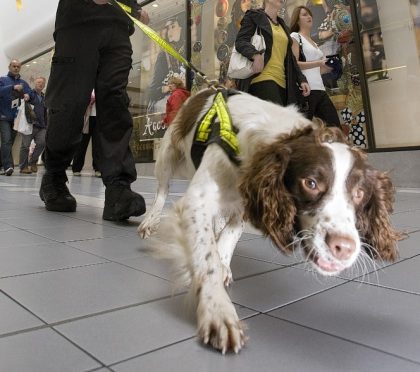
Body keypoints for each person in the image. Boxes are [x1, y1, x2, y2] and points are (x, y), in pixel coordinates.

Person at [39, 0, 150, 221]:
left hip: (118, 27)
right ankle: (54, 176)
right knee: (69, 103)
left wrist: (134, 8)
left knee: (115, 103)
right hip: (77, 22)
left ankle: (118, 188)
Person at [234, 0, 310, 107]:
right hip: (263, 79)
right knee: (278, 120)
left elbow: (291, 59)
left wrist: (301, 79)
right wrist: (255, 55)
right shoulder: (254, 16)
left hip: (284, 84)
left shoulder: (284, 27)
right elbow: (241, 41)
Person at [290, 5, 341, 128]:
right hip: (306, 91)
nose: (309, 17)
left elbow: (317, 70)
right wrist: (318, 63)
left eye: (309, 14)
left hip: (320, 89)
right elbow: (294, 64)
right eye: (304, 14)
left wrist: (329, 67)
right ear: (297, 20)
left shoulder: (313, 42)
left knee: (334, 127)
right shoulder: (295, 36)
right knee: (302, 131)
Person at [147, 15, 186, 114]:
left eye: (173, 27)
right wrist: (169, 87)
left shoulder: (185, 53)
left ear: (181, 29)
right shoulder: (163, 56)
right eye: (168, 28)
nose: (170, 31)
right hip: (166, 107)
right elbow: (152, 91)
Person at [0, 59, 31, 176]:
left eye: (18, 66)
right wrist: (12, 88)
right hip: (3, 116)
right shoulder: (2, 80)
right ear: (9, 67)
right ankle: (8, 166)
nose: (16, 68)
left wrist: (28, 95)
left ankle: (3, 164)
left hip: (17, 118)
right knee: (6, 140)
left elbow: (30, 94)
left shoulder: (23, 83)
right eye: (14, 66)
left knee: (8, 142)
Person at [19, 76, 47, 174]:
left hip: (42, 126)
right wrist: (26, 96)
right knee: (25, 146)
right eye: (38, 82)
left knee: (42, 143)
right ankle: (23, 167)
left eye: (42, 83)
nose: (40, 84)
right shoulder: (31, 93)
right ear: (35, 84)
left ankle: (33, 162)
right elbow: (27, 96)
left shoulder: (44, 97)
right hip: (29, 124)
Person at [72, 90, 100, 177]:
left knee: (98, 145)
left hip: (98, 118)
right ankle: (76, 168)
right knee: (82, 144)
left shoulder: (101, 86)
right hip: (85, 117)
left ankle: (98, 169)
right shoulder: (85, 86)